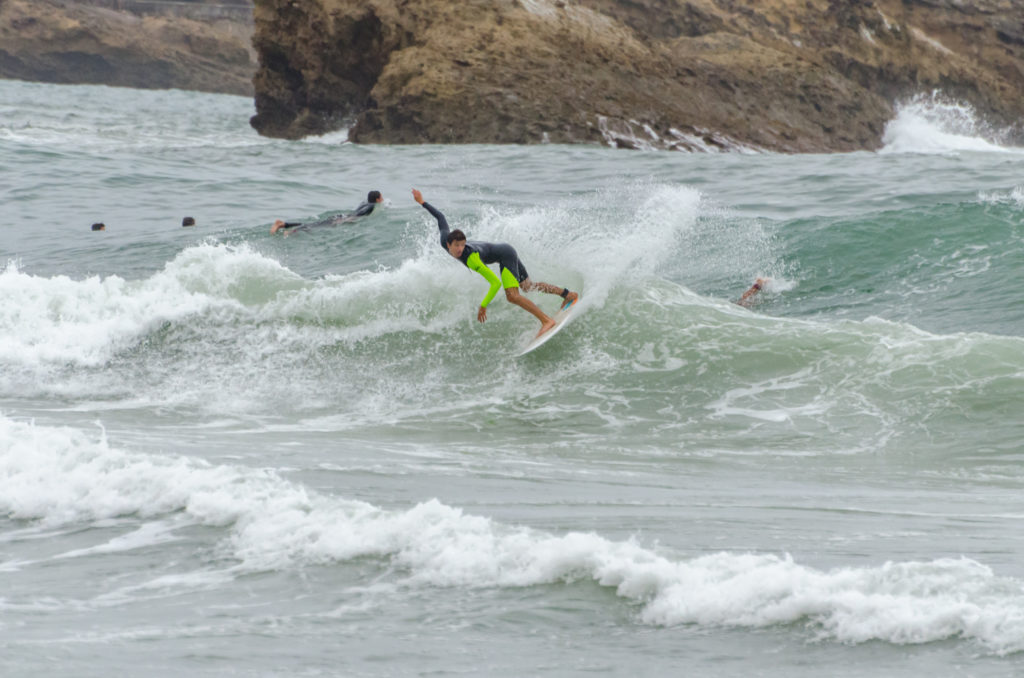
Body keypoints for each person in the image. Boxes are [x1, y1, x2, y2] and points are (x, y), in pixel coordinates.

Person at [412, 188, 578, 337]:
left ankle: (546, 321)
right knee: (527, 286)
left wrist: (483, 305)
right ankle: (568, 294)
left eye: (463, 245)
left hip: (505, 255)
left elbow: (495, 283)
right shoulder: (444, 239)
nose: (460, 249)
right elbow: (440, 217)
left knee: (513, 296)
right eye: (457, 246)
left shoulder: (472, 259)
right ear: (448, 244)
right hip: (507, 250)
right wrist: (422, 202)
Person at [271, 190, 383, 234]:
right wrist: (346, 221)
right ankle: (289, 231)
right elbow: (358, 215)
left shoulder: (365, 202)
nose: (382, 199)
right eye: (381, 197)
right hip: (341, 219)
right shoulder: (372, 206)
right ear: (377, 199)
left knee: (315, 224)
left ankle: (284, 224)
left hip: (341, 216)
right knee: (315, 226)